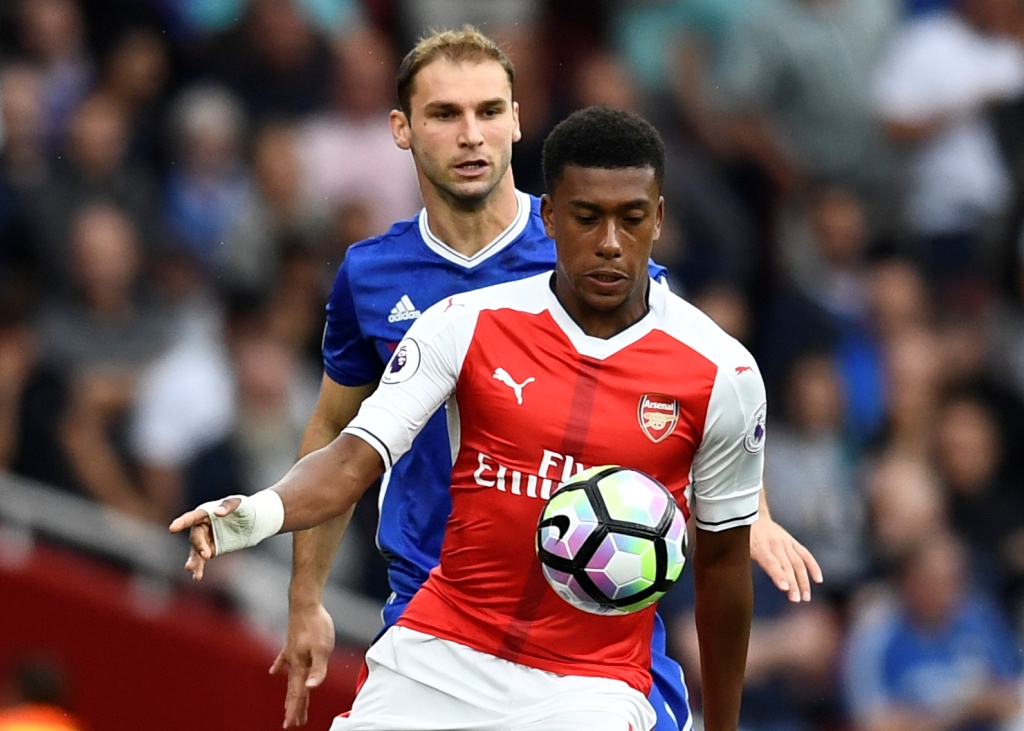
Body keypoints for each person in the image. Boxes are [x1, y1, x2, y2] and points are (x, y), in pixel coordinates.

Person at [258, 26, 820, 730]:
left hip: (586, 602)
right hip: (438, 599)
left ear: (518, 120)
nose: (471, 135)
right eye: (445, 114)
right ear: (402, 128)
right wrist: (305, 596)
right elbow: (337, 429)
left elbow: (700, 385)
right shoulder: (370, 274)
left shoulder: (591, 252)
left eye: (489, 111)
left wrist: (753, 517)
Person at [172, 104, 760, 731]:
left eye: (632, 218)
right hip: (441, 652)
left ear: (660, 219)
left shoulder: (722, 372)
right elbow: (351, 460)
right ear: (551, 217)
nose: (611, 242)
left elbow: (723, 565)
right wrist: (252, 516)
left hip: (591, 687)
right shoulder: (465, 323)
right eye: (588, 218)